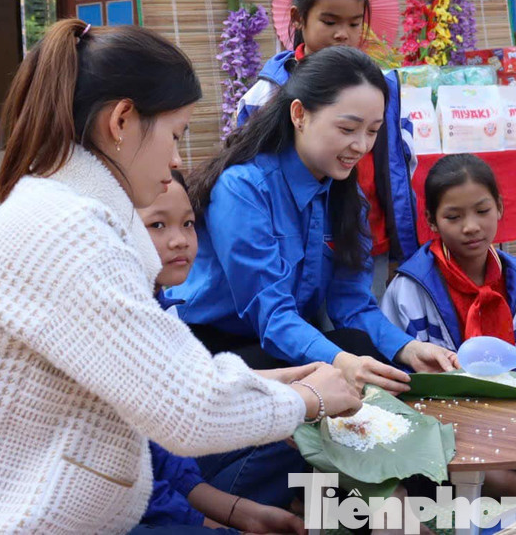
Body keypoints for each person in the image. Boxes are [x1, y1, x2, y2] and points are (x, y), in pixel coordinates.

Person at [0, 20, 359, 535]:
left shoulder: (68, 214)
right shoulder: (65, 232)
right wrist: (309, 399)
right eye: (174, 134)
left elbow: (156, 380)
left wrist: (279, 384)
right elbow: (190, 410)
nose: (177, 159)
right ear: (122, 122)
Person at [175, 45, 457, 381]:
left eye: (372, 131)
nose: (361, 146)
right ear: (299, 115)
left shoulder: (347, 195)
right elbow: (272, 314)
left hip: (280, 341)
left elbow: (351, 304)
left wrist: (409, 349)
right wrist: (340, 362)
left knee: (361, 347)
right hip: (214, 347)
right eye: (347, 129)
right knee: (345, 366)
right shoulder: (243, 189)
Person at [135, 171, 307, 535]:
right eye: (158, 225)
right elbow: (139, 475)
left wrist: (240, 515)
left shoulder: (162, 304)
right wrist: (220, 524)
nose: (180, 240)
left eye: (188, 224)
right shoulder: (122, 321)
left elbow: (162, 459)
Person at [236, 0, 418, 297]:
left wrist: (399, 239)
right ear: (298, 18)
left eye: (353, 24)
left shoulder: (382, 89)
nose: (342, 34)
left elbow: (399, 164)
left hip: (364, 237)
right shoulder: (269, 94)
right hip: (292, 243)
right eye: (330, 21)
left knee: (360, 327)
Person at [380, 154, 516, 363]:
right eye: (453, 217)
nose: (471, 227)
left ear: (499, 207)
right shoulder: (408, 292)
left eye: (482, 211)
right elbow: (396, 367)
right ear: (431, 220)